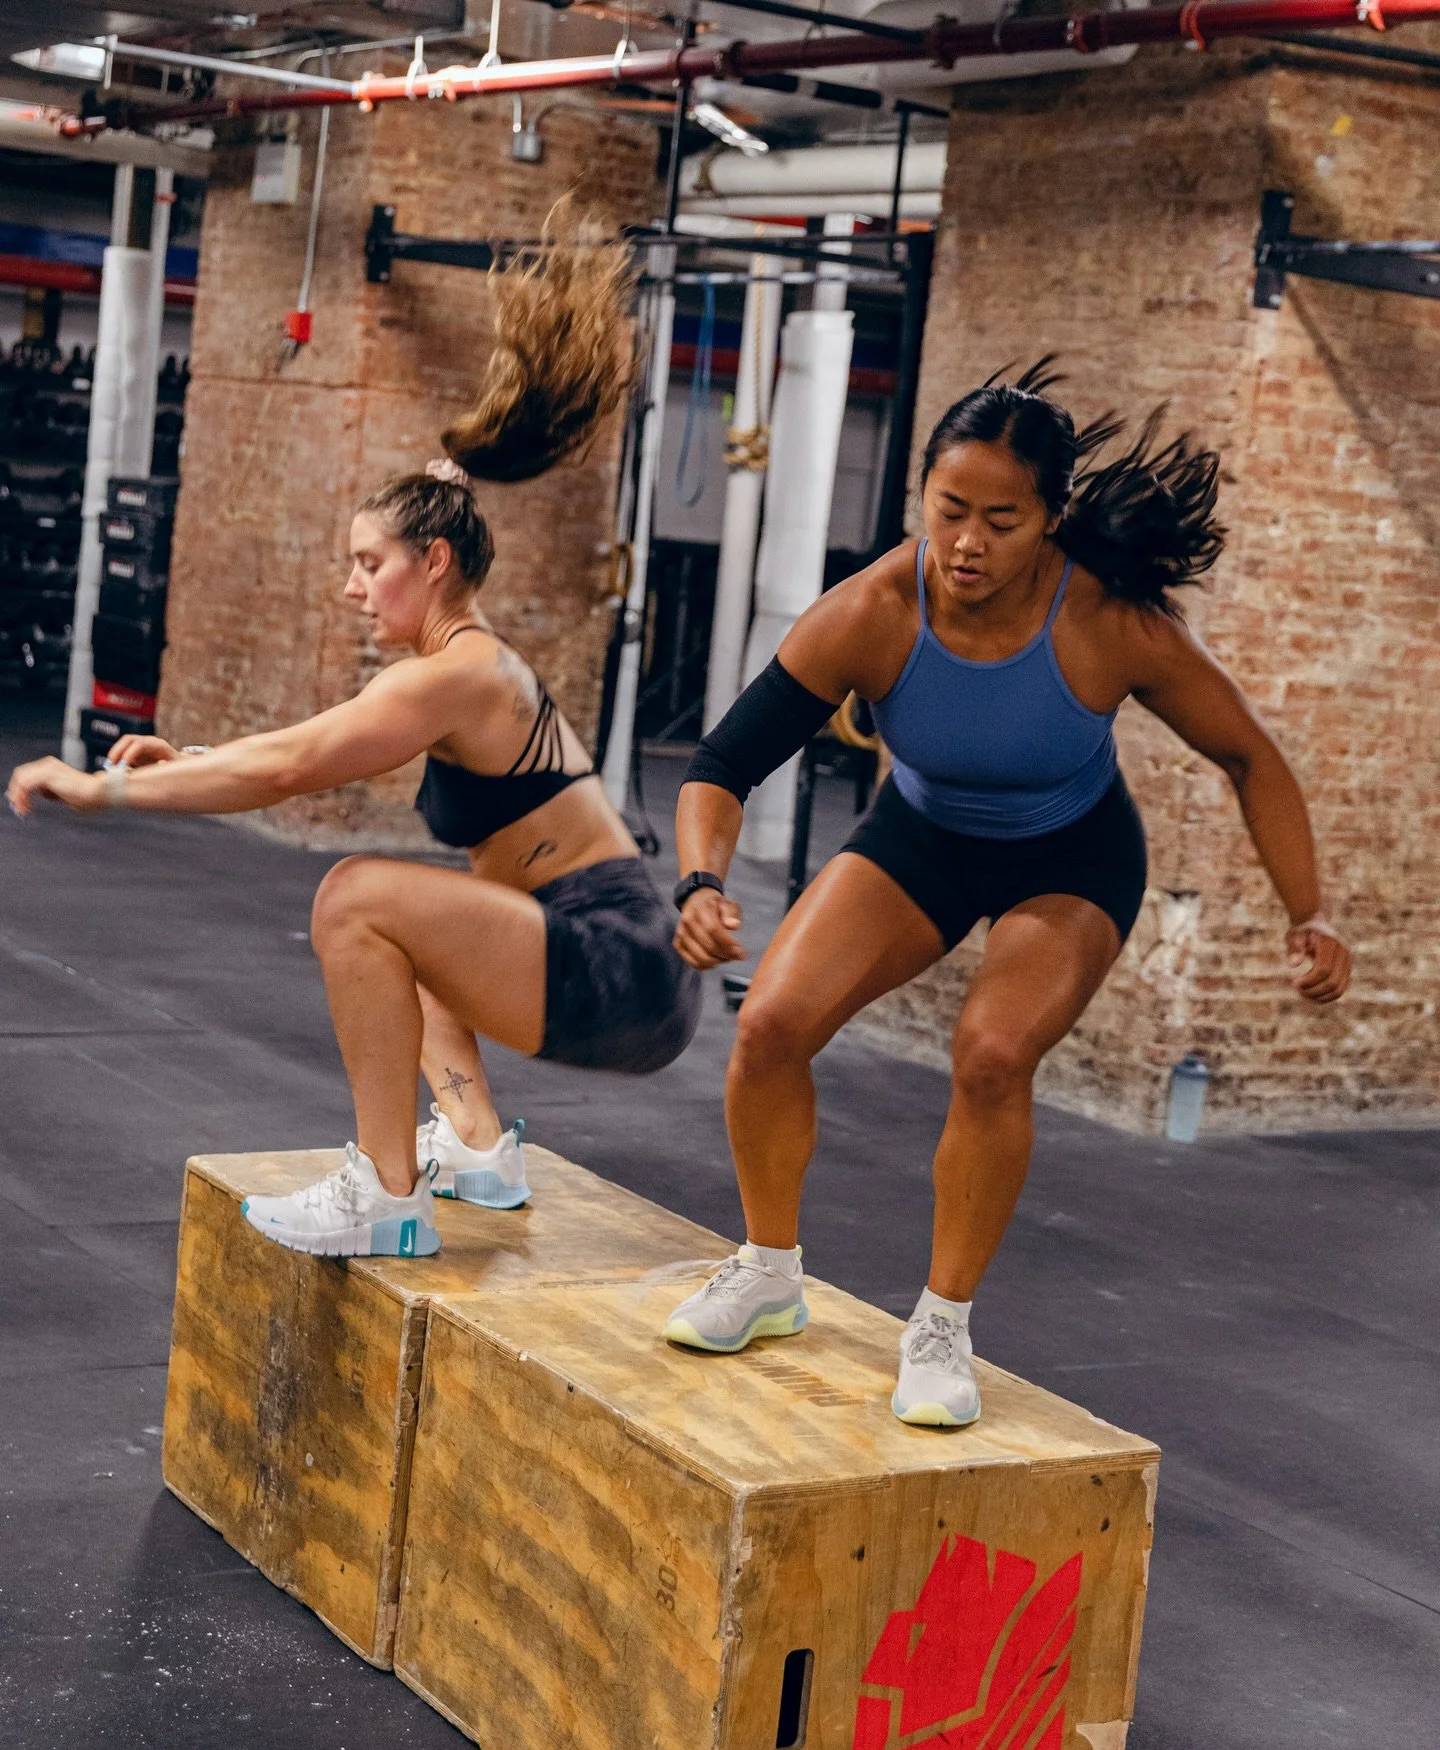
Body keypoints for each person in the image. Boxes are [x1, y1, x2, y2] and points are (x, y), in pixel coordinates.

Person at [666, 364, 1351, 1427]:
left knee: (991, 1054)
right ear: (921, 502)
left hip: (1070, 860)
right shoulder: (872, 611)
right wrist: (701, 881)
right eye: (950, 512)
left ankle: (941, 1323)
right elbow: (722, 764)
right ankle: (767, 1271)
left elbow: (1251, 757)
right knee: (770, 1026)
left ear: (1051, 519)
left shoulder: (1111, 623)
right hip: (923, 839)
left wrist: (1308, 910)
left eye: (1002, 518)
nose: (969, 543)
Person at [7, 222, 699, 1261]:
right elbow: (305, 744)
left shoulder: (459, 672)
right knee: (412, 927)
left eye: (367, 562)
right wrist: (187, 755)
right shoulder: (461, 667)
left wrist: (98, 793)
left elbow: (291, 767)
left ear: (432, 558)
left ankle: (387, 1197)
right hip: (606, 963)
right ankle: (476, 1146)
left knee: (357, 900)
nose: (350, 585)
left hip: (622, 967)